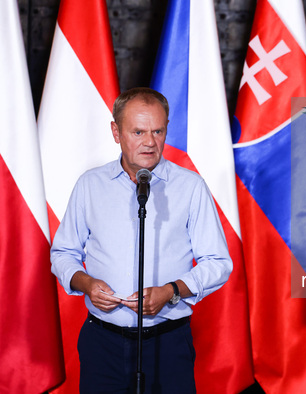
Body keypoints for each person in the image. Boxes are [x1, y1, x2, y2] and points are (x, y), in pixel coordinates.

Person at [51, 87, 233, 393]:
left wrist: (171, 291)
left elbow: (218, 263)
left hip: (168, 344)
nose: (150, 142)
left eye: (157, 131)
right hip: (102, 343)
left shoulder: (190, 187)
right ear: (116, 131)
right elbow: (63, 253)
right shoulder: (90, 185)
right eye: (138, 131)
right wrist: (86, 284)